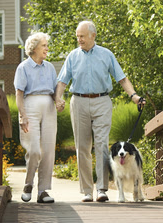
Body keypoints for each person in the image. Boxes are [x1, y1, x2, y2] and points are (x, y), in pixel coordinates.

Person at [55, 21, 145, 202]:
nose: (79, 39)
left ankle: (102, 189)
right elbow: (62, 81)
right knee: (82, 147)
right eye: (77, 36)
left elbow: (122, 78)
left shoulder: (106, 54)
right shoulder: (72, 56)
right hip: (78, 102)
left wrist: (134, 96)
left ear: (92, 36)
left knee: (102, 145)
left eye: (82, 36)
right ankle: (87, 191)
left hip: (102, 101)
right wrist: (58, 98)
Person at [14, 32, 59, 203]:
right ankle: (28, 184)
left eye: (47, 45)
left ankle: (43, 191)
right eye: (44, 46)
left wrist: (59, 101)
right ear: (34, 49)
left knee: (48, 150)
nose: (47, 48)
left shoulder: (50, 67)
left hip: (48, 107)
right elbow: (19, 94)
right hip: (30, 106)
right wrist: (22, 115)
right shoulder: (23, 68)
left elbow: (55, 92)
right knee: (33, 150)